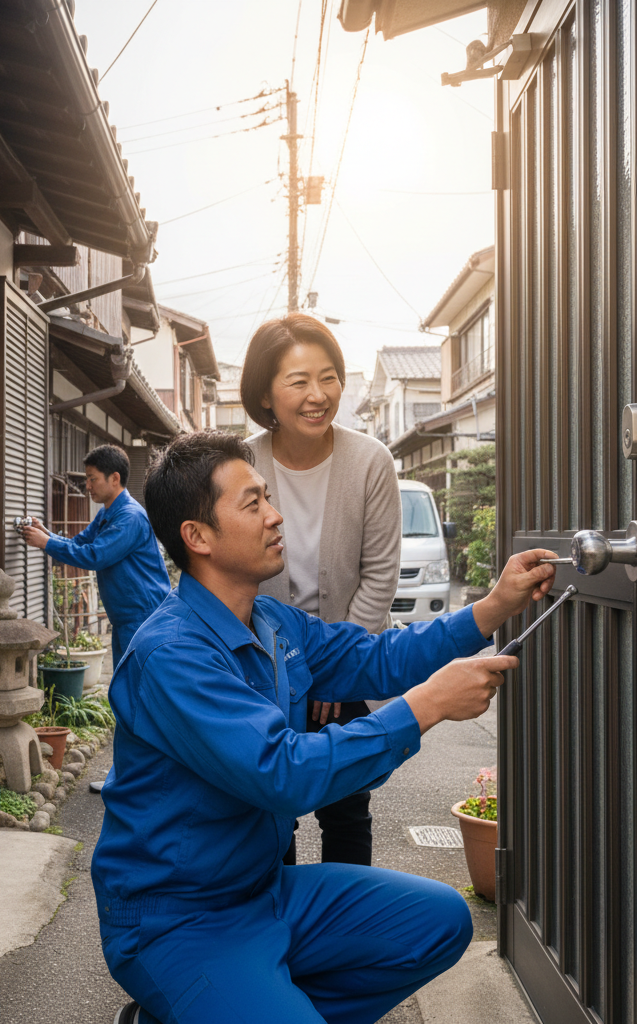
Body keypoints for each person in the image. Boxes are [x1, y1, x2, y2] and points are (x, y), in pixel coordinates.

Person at [95, 431, 557, 1024]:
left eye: (268, 497)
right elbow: (283, 773)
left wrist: (492, 608)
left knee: (441, 922)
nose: (275, 515)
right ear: (198, 536)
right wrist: (426, 705)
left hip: (264, 891)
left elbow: (376, 657)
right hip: (178, 920)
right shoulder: (171, 654)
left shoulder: (271, 621)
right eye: (253, 503)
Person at [241, 313, 400, 866]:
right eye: (299, 380)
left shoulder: (371, 461)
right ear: (266, 393)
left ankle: (348, 916)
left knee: (347, 809)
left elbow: (379, 575)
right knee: (267, 812)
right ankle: (276, 914)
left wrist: (336, 668)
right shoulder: (241, 463)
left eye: (328, 377)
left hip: (347, 656)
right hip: (262, 665)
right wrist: (290, 669)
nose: (318, 395)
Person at [20, 444, 170, 668]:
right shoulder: (108, 512)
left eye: (92, 479)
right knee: (127, 680)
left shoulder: (130, 517)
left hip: (143, 616)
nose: (87, 486)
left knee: (140, 679)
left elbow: (95, 556)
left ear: (115, 478)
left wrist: (46, 542)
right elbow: (79, 544)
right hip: (126, 617)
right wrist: (46, 534)